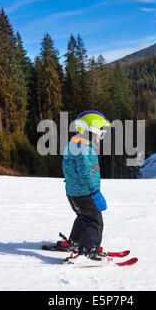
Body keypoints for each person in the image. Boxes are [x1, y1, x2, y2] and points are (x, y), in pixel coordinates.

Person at [61, 110, 111, 264]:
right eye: (100, 134)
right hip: (86, 193)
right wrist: (95, 193)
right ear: (90, 131)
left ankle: (75, 242)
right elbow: (85, 173)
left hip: (73, 193)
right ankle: (88, 251)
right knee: (94, 222)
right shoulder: (84, 149)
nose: (101, 138)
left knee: (83, 218)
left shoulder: (73, 145)